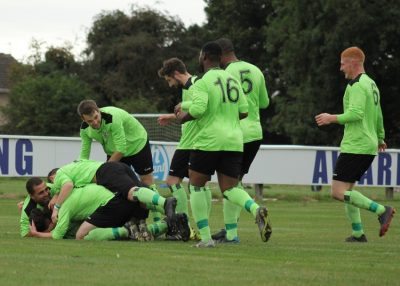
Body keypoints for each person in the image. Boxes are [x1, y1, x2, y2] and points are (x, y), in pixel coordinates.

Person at [175, 41, 271, 247]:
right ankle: (255, 210)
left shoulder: (202, 80)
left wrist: (183, 117)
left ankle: (207, 238)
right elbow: (244, 111)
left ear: (204, 57)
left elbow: (199, 109)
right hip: (234, 140)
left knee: (196, 185)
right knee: (229, 188)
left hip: (209, 140)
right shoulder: (232, 79)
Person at [315, 46, 395, 242]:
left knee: (337, 192)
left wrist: (330, 118)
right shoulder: (371, 84)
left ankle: (382, 210)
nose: (341, 68)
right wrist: (380, 137)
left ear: (352, 63)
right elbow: (378, 114)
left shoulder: (357, 85)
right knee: (348, 191)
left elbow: (357, 113)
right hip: (367, 144)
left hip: (356, 144)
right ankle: (358, 233)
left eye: (342, 64)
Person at [211, 37, 271, 243]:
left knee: (228, 185)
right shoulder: (256, 70)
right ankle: (230, 229)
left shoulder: (224, 74)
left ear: (220, 55)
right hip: (255, 133)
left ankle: (233, 233)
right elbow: (265, 102)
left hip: (234, 134)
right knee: (236, 182)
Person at [49, 160, 187, 240]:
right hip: (117, 167)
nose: (55, 183)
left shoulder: (61, 176)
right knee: (141, 201)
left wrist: (56, 207)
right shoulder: (77, 166)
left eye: (53, 180)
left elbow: (66, 185)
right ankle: (170, 220)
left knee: (131, 193)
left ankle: (164, 203)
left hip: (106, 175)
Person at [77, 100, 162, 222]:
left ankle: (157, 221)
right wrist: (79, 172)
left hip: (137, 143)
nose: (95, 122)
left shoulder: (113, 117)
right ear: (83, 119)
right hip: (113, 151)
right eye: (90, 121)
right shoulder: (84, 129)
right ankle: (127, 220)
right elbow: (84, 155)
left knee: (146, 182)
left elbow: (121, 149)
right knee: (117, 186)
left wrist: (104, 171)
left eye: (96, 117)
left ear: (99, 110)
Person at [27, 177, 188, 240]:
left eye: (46, 190)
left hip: (112, 203)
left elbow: (56, 235)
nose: (47, 192)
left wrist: (37, 234)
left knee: (81, 236)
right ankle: (170, 219)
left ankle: (128, 230)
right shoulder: (61, 192)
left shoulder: (62, 209)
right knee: (137, 198)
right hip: (113, 195)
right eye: (41, 193)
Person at [157, 57, 204, 240]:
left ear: (176, 74)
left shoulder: (193, 86)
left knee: (173, 181)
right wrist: (172, 116)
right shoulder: (194, 84)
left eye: (169, 80)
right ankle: (196, 228)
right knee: (197, 185)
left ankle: (185, 226)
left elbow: (199, 110)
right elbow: (192, 112)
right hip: (195, 141)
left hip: (189, 142)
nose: (170, 85)